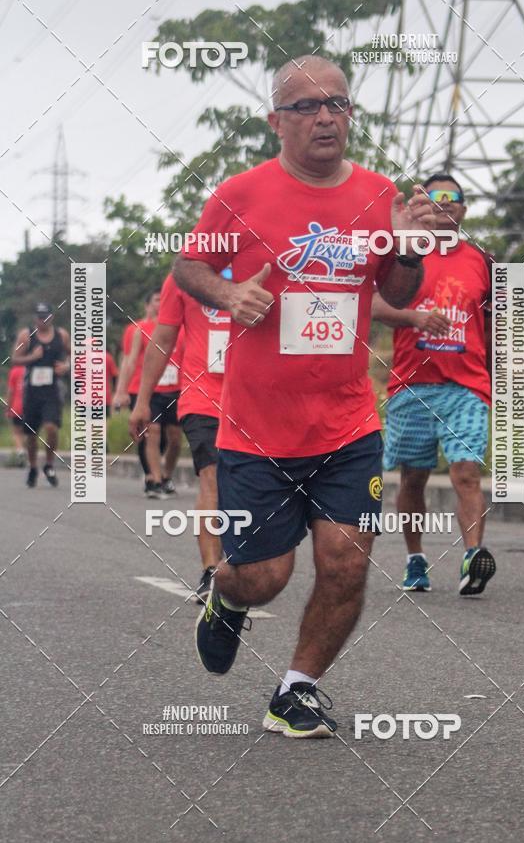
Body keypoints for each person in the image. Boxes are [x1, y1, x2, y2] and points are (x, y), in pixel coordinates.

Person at [173, 54, 434, 738]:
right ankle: (225, 604)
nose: (326, 117)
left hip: (347, 423)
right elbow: (190, 265)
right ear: (276, 122)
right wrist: (229, 292)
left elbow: (397, 297)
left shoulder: (381, 196)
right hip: (257, 430)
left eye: (338, 105)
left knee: (346, 562)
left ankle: (296, 688)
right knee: (262, 577)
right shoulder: (241, 194)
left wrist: (407, 253)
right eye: (308, 107)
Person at [372, 173, 496, 596]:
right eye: (434, 196)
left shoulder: (483, 260)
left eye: (453, 197)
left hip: (468, 385)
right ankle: (415, 558)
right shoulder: (403, 252)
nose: (444, 203)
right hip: (412, 384)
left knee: (466, 472)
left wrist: (498, 381)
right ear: (421, 204)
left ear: (463, 208)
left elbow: (498, 325)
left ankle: (472, 557)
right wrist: (414, 318)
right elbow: (376, 306)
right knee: (413, 480)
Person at [129, 269, 231, 602]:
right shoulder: (184, 275)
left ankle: (242, 561)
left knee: (243, 482)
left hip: (257, 397)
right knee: (211, 476)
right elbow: (163, 338)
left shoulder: (263, 263)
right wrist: (141, 400)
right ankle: (212, 571)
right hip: (204, 397)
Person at [113, 290, 171, 497]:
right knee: (149, 432)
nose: (160, 304)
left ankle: (163, 474)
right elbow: (128, 359)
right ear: (147, 305)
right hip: (142, 387)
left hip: (171, 387)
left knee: (168, 437)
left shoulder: (176, 327)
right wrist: (121, 391)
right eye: (156, 300)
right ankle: (152, 476)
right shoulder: (135, 329)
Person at [11, 302, 71, 487]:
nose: (41, 321)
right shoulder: (26, 334)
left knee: (52, 428)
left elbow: (76, 354)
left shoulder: (61, 335)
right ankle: (33, 466)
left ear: (51, 317)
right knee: (31, 434)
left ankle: (50, 464)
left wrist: (67, 366)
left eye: (45, 317)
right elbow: (14, 358)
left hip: (52, 389)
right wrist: (32, 357)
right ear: (34, 318)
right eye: (38, 317)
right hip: (32, 391)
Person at [5, 363, 26, 465]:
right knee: (27, 432)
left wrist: (8, 408)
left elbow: (10, 391)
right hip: (31, 407)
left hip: (17, 407)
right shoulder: (31, 368)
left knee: (16, 432)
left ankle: (20, 450)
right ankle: (26, 451)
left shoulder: (14, 371)